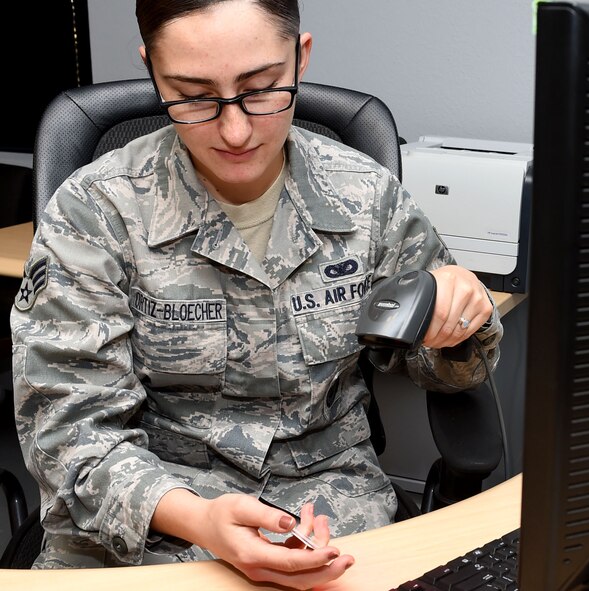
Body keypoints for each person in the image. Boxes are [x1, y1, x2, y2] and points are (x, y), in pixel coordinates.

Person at [10, 0, 502, 587]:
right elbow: (69, 432)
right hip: (147, 516)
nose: (236, 130)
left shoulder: (367, 198)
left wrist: (458, 321)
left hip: (326, 502)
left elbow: (444, 368)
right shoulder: (93, 211)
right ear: (152, 71)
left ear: (301, 58)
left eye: (263, 89)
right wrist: (200, 520)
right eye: (193, 96)